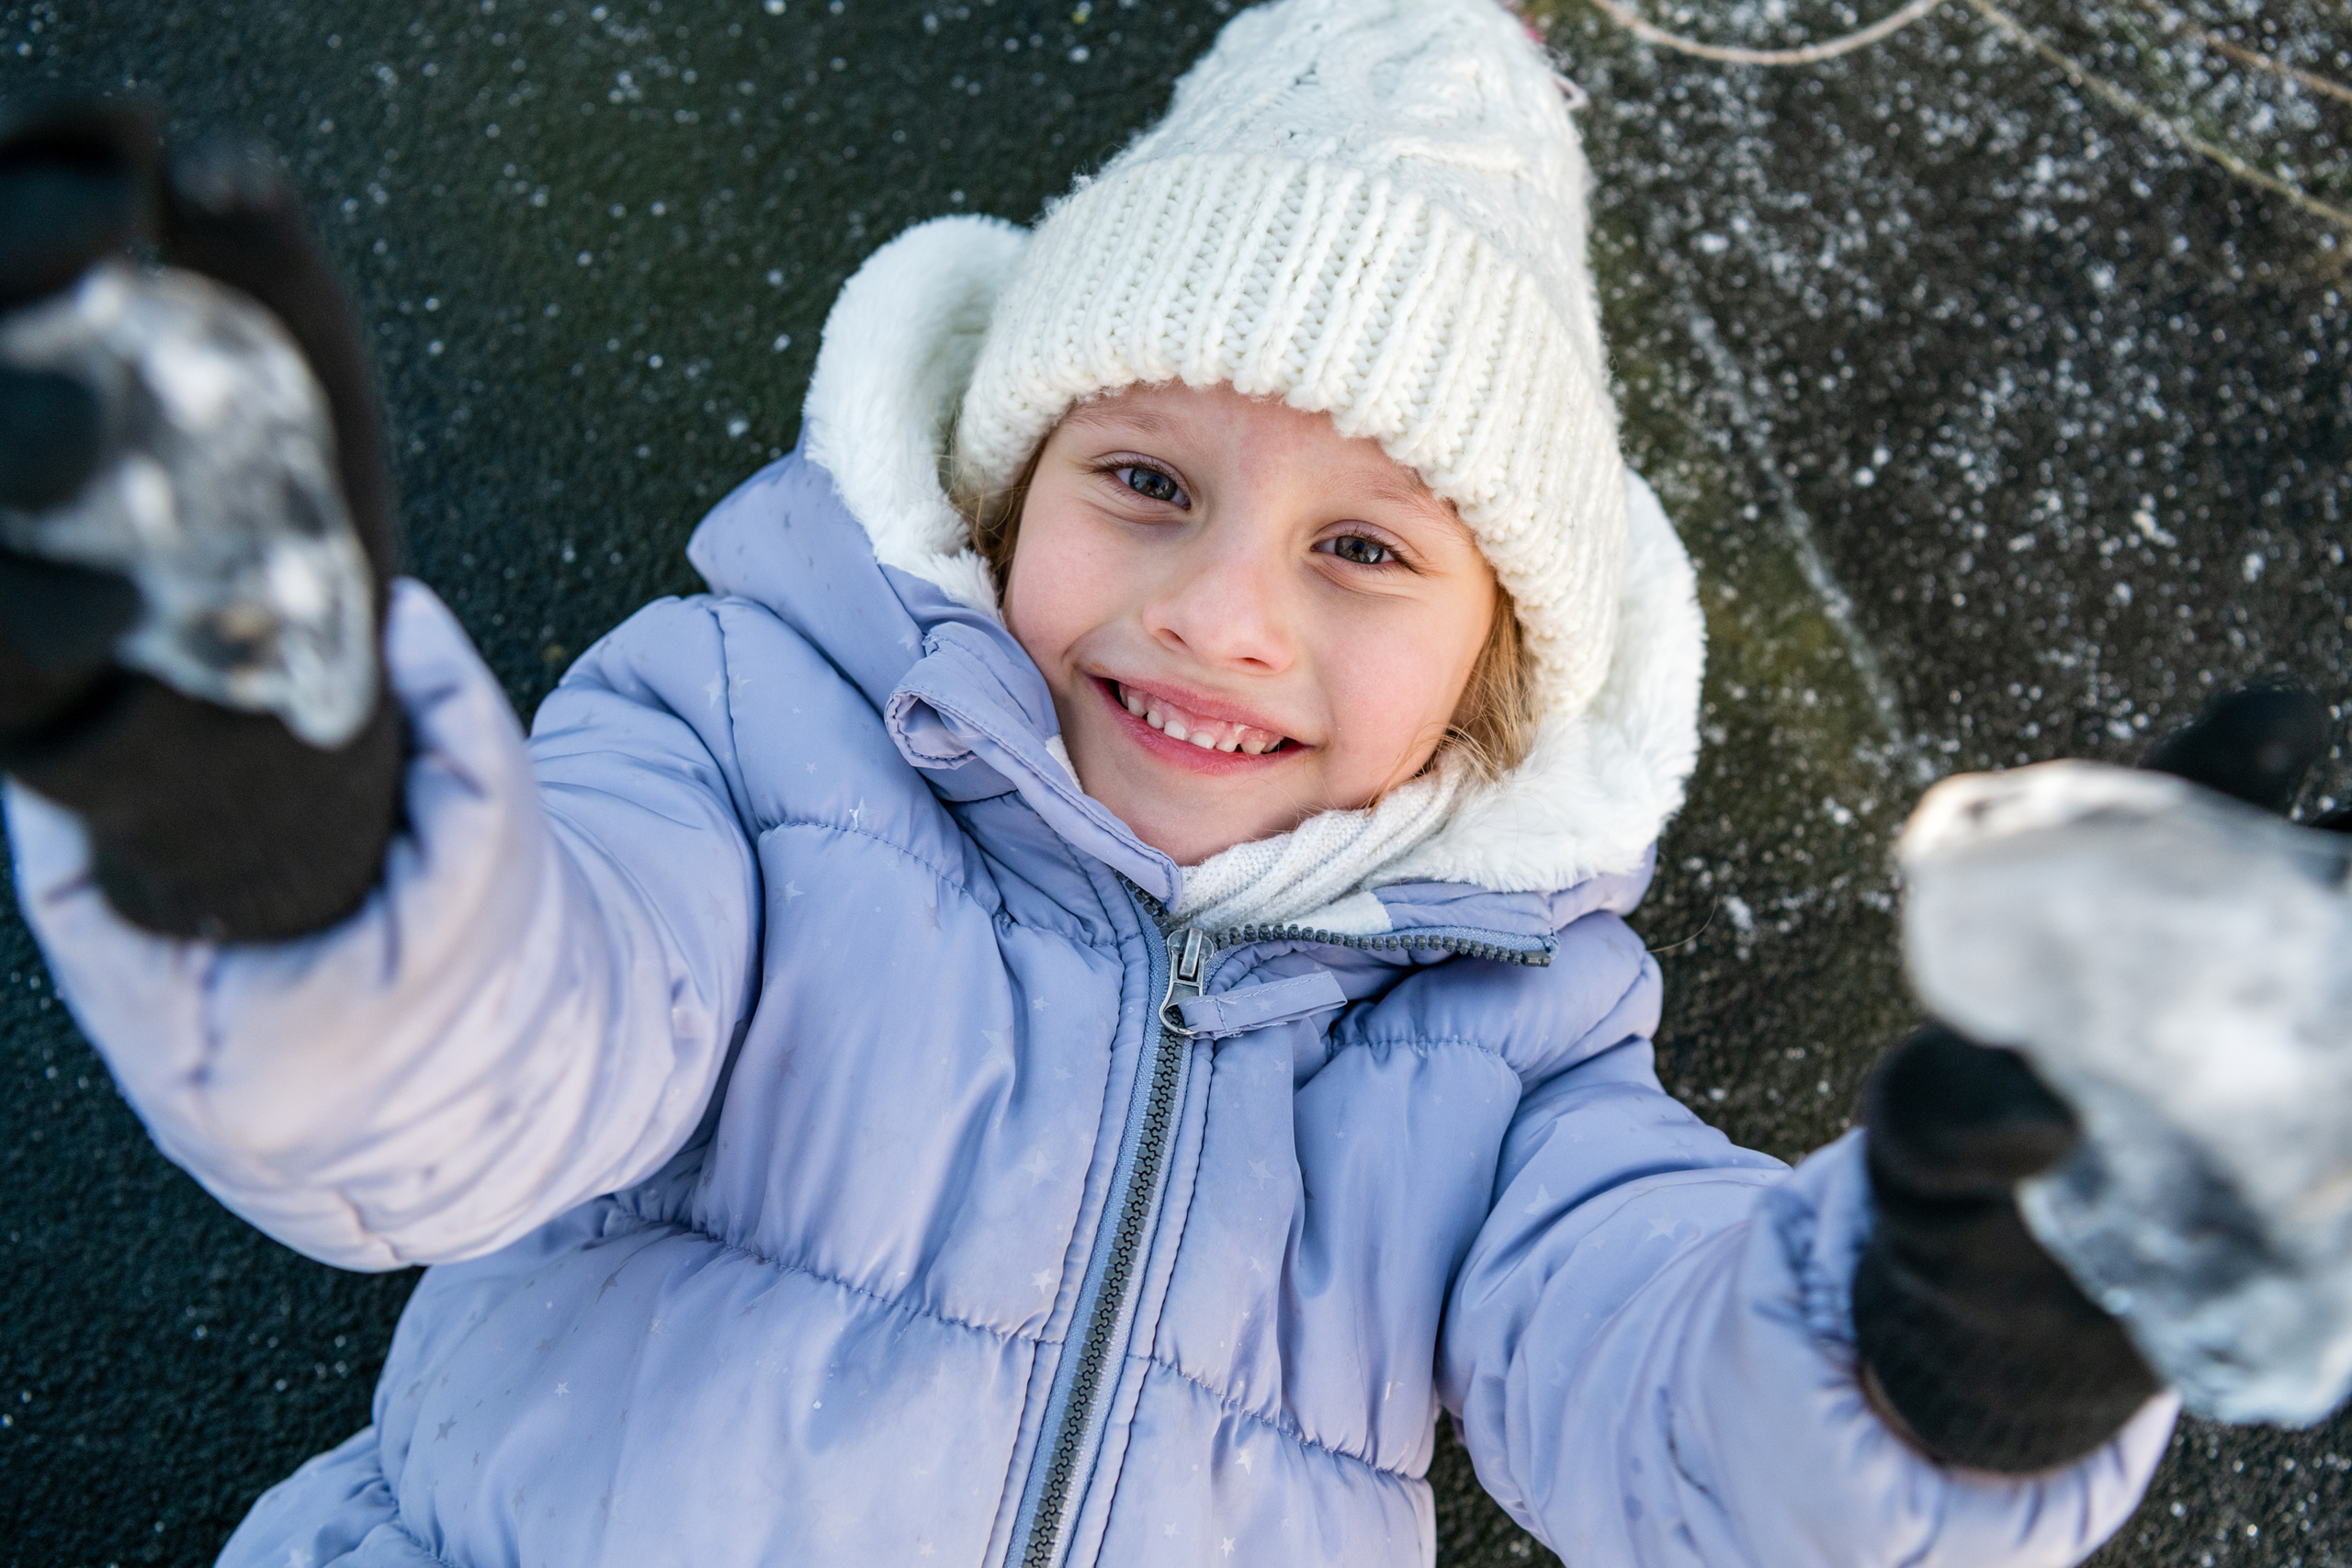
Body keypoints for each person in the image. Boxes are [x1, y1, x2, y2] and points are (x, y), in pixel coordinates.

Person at [16, 0, 2324, 1562]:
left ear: (1497, 663)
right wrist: (284, 837)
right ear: (1000, 475)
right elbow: (488, 1060)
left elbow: (1669, 1395)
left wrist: (1958, 1341)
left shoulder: (1505, 1046)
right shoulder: (752, 738)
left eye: (1357, 549)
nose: (1221, 615)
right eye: (1138, 476)